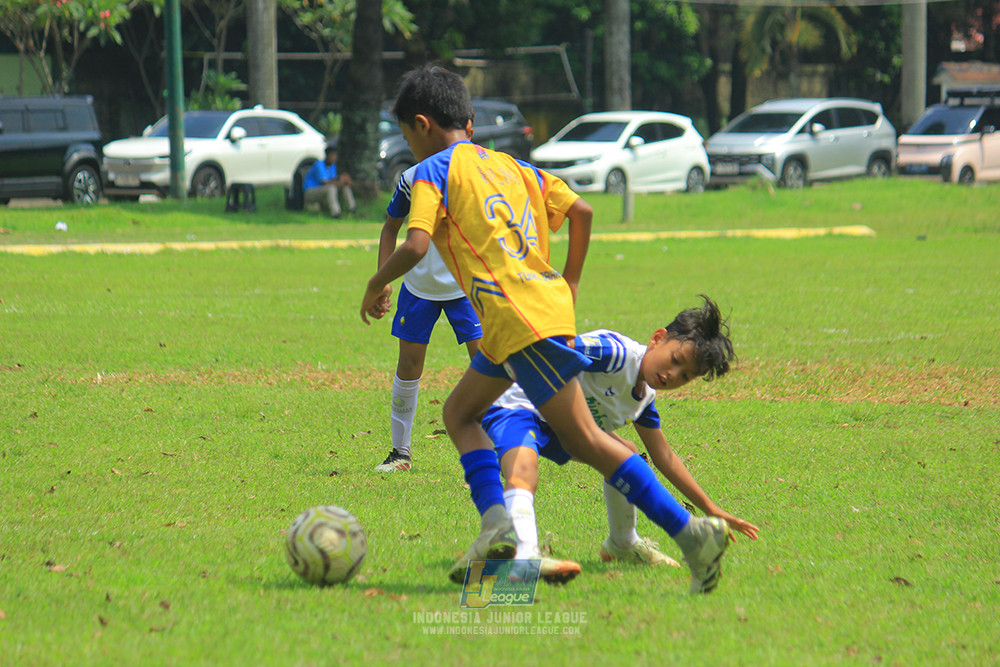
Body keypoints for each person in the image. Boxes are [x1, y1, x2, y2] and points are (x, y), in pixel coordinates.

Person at [360, 65, 732, 595]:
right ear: (467, 119)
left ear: (420, 125)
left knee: (587, 440)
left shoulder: (430, 172)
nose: (408, 145)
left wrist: (374, 285)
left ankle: (691, 534)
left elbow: (415, 245)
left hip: (518, 320)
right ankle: (498, 526)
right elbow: (581, 210)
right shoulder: (514, 167)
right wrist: (569, 284)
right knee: (459, 412)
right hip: (523, 317)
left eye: (404, 135)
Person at [482, 297, 760, 584]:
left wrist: (711, 509)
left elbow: (664, 456)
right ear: (657, 339)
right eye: (675, 361)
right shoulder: (615, 354)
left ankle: (622, 544)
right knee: (524, 471)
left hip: (562, 430)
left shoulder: (643, 398)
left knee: (627, 455)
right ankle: (525, 554)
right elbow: (556, 349)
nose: (672, 375)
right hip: (518, 405)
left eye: (686, 376)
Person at [372, 163, 483, 472]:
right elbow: (390, 227)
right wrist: (383, 280)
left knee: (486, 363)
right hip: (418, 287)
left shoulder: (477, 170)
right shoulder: (411, 177)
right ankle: (400, 453)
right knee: (408, 364)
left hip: (467, 286)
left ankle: (502, 448)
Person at [303, 142, 356, 218]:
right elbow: (325, 181)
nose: (335, 157)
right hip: (310, 191)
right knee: (331, 188)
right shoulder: (319, 164)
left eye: (336, 155)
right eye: (333, 155)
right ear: (327, 156)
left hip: (322, 190)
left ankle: (352, 209)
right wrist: (340, 183)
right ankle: (336, 213)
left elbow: (333, 178)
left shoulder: (332, 166)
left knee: (345, 187)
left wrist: (343, 179)